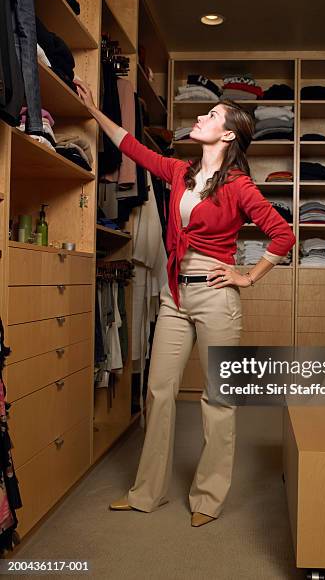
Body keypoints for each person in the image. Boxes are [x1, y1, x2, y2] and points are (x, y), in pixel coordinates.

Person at [75, 78, 296, 527]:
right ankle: (146, 493)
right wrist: (96, 112)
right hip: (174, 295)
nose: (200, 117)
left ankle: (208, 500)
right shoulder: (180, 172)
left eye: (211, 115)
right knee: (159, 392)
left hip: (217, 298)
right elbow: (134, 148)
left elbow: (284, 235)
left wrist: (247, 276)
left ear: (229, 134)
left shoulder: (240, 187)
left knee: (219, 400)